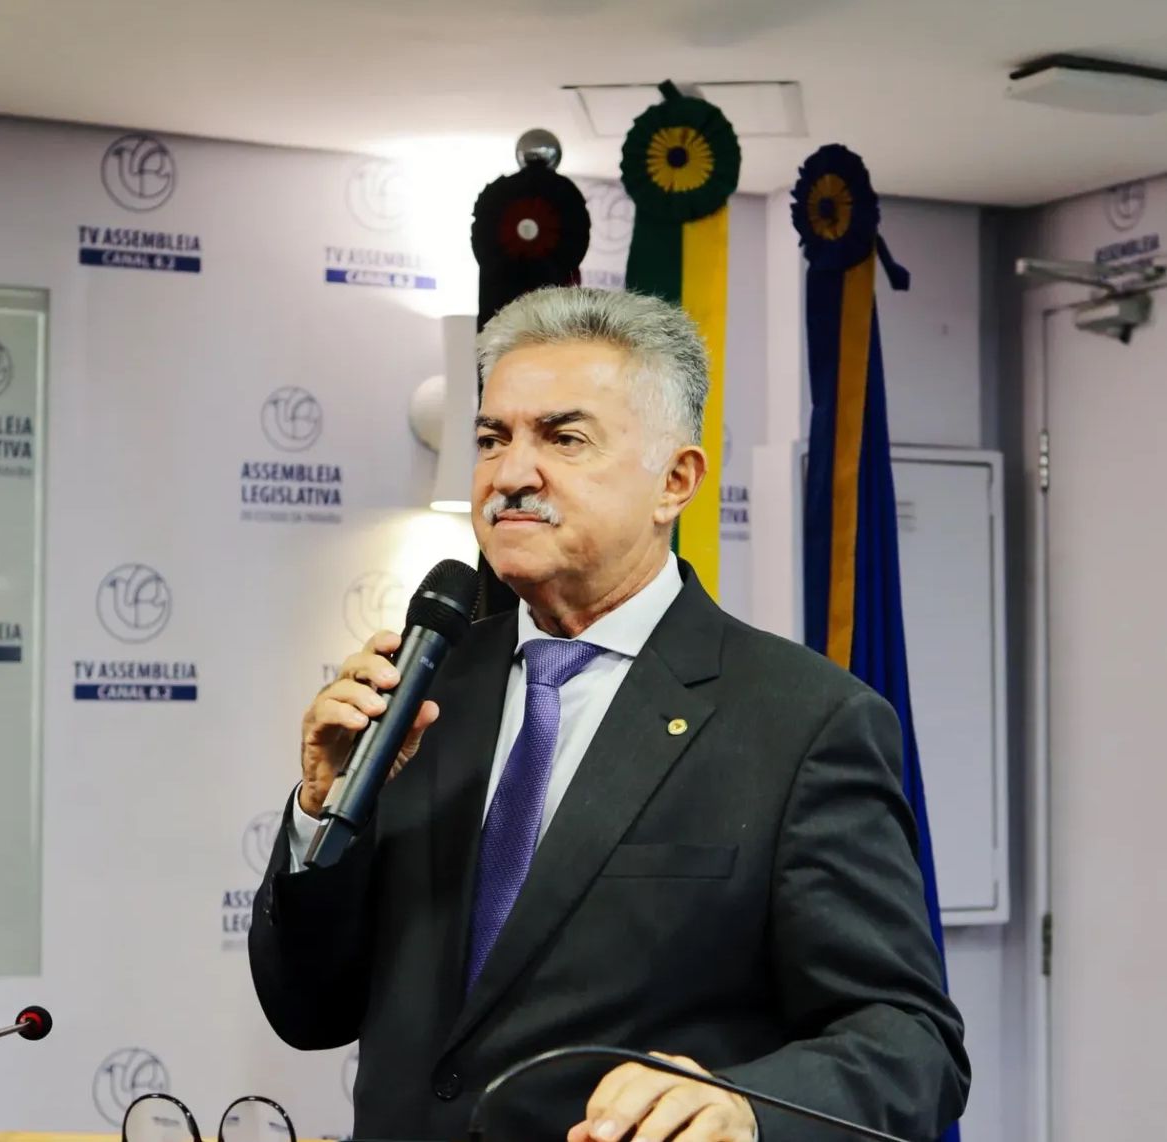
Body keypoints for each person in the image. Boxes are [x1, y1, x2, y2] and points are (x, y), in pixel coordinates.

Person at [249, 286, 970, 1142]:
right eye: (492, 438)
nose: (511, 474)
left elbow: (909, 1044)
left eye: (564, 438)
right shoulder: (421, 695)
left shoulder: (804, 723)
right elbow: (309, 1009)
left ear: (676, 481)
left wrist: (745, 1107)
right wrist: (324, 814)